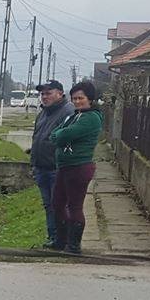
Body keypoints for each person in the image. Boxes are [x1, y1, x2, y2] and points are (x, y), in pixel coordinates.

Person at [47, 80, 104, 254]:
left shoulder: (91, 118)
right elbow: (55, 133)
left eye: (81, 98)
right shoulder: (74, 115)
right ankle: (60, 240)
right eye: (74, 98)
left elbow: (64, 134)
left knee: (74, 206)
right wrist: (59, 135)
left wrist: (59, 135)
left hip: (79, 167)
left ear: (90, 99)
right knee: (57, 203)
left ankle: (73, 245)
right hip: (64, 166)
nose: (77, 101)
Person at [29, 80, 73, 249]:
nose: (44, 97)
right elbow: (37, 138)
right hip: (42, 167)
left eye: (49, 93)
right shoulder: (43, 113)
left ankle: (63, 240)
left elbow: (67, 138)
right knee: (49, 205)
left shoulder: (67, 111)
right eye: (43, 94)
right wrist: (33, 163)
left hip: (57, 168)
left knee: (60, 205)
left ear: (60, 94)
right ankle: (53, 237)